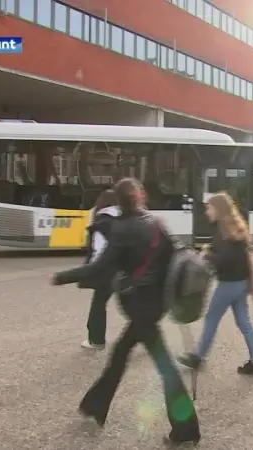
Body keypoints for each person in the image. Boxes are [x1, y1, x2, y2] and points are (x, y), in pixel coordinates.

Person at [50, 178, 200, 446]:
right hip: (154, 304)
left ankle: (186, 429)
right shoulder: (156, 224)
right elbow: (177, 256)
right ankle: (95, 405)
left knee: (162, 368)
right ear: (140, 196)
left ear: (119, 202)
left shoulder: (122, 230)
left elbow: (98, 269)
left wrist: (62, 276)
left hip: (140, 307)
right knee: (120, 355)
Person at [178, 192, 253, 376]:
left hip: (229, 284)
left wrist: (207, 257)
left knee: (211, 319)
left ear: (218, 209)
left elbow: (224, 258)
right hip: (241, 282)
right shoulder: (235, 225)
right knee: (244, 322)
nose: (207, 211)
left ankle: (198, 358)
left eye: (209, 207)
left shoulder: (223, 229)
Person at [80, 189, 120, 350]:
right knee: (134, 302)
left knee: (98, 304)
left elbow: (99, 247)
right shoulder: (122, 217)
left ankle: (96, 340)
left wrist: (92, 267)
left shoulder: (102, 220)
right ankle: (148, 336)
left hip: (106, 269)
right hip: (124, 267)